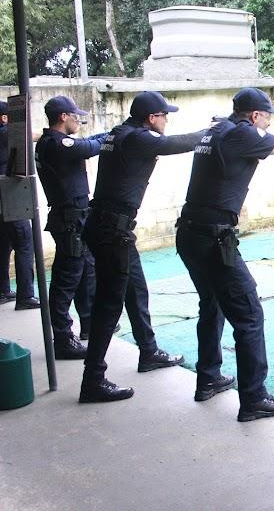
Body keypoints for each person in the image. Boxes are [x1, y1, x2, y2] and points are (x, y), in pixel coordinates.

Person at [176, 88, 274, 421]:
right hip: (213, 238)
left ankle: (208, 378)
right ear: (255, 116)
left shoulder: (218, 130)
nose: (269, 122)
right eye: (267, 116)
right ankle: (254, 398)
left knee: (212, 305)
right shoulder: (243, 134)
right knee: (249, 315)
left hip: (189, 233)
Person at [79, 91, 204, 403]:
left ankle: (148, 351)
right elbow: (177, 144)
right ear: (152, 118)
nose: (166, 121)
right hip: (112, 230)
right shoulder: (138, 138)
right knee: (109, 304)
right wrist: (215, 131)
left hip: (110, 226)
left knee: (136, 290)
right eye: (164, 116)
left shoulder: (120, 133)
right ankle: (92, 379)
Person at [34, 96, 104, 358]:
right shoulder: (56, 143)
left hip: (73, 216)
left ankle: (88, 325)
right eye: (76, 116)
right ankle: (63, 338)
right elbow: (88, 147)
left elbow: (85, 143)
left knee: (86, 272)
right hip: (70, 218)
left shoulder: (49, 142)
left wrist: (110, 133)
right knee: (67, 279)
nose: (79, 120)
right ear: (63, 117)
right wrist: (111, 137)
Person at [0, 99, 39, 310]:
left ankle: (3, 290)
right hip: (9, 197)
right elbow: (29, 136)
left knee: (3, 244)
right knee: (25, 243)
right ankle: (26, 295)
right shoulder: (6, 133)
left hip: (2, 200)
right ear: (5, 118)